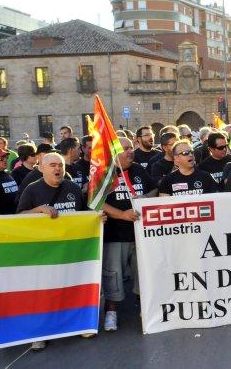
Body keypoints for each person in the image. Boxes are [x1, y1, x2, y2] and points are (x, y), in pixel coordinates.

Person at [16, 152, 91, 350]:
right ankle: (40, 333)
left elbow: (84, 214)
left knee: (73, 288)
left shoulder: (73, 188)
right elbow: (19, 217)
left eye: (60, 165)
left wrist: (95, 219)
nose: (58, 169)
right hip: (44, 253)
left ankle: (78, 325)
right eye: (52, 165)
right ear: (41, 168)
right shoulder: (32, 190)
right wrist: (38, 210)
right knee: (44, 293)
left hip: (71, 251)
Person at [101, 137, 157, 331]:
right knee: (113, 276)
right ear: (114, 154)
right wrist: (122, 215)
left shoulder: (139, 170)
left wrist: (145, 198)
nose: (130, 151)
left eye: (131, 148)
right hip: (115, 235)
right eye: (125, 149)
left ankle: (145, 309)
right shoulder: (105, 174)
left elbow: (155, 189)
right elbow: (97, 202)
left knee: (142, 273)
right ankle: (111, 312)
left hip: (139, 235)